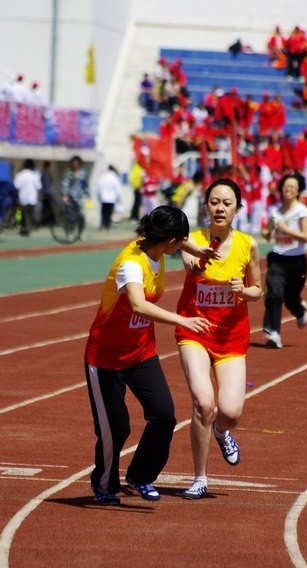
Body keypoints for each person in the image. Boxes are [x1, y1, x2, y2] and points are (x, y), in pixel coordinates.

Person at [84, 205, 217, 505]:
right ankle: (103, 484)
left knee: (164, 415)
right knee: (116, 429)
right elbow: (138, 305)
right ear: (169, 242)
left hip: (141, 353)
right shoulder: (132, 264)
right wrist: (183, 320)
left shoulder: (156, 246)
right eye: (180, 241)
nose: (182, 245)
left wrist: (198, 250)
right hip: (105, 358)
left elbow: (182, 241)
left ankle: (141, 476)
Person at [175, 178, 262, 500]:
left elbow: (258, 289)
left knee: (230, 412)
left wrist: (245, 291)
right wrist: (198, 262)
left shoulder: (248, 245)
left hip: (231, 338)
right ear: (206, 206)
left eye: (227, 203)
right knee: (203, 403)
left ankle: (222, 431)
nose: (220, 208)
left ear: (238, 208)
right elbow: (191, 266)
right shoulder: (193, 240)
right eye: (214, 202)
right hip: (195, 330)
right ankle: (200, 478)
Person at [262, 173, 307, 349]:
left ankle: (300, 310)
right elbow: (266, 234)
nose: (288, 189)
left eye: (292, 187)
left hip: (297, 260)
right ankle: (273, 333)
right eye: (285, 186)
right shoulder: (275, 212)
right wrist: (268, 232)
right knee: (274, 294)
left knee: (290, 298)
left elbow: (306, 236)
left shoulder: (302, 211)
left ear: (298, 191)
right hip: (278, 258)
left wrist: (285, 229)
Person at [61, 155, 90, 235]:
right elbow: (65, 184)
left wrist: (88, 195)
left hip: (80, 198)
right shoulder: (69, 173)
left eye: (77, 163)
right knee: (70, 216)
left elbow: (85, 185)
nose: (75, 165)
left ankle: (81, 232)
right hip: (70, 198)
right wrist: (65, 195)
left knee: (81, 216)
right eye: (74, 163)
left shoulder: (83, 173)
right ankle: (70, 232)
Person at [13, 158, 42, 236]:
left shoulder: (20, 175)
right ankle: (28, 227)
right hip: (32, 199)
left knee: (19, 212)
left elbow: (16, 186)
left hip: (22, 199)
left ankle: (19, 225)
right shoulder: (34, 175)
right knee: (29, 214)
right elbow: (39, 187)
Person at [96, 164, 123, 230]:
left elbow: (98, 187)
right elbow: (118, 189)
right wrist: (118, 199)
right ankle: (107, 226)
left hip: (103, 198)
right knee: (109, 213)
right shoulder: (114, 178)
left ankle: (102, 224)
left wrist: (99, 197)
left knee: (103, 213)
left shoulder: (103, 176)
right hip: (112, 199)